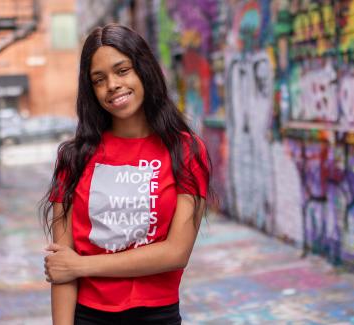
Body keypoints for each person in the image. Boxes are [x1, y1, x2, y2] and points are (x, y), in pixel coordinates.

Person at [41, 23, 212, 325]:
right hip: (87, 317)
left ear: (143, 70)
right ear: (91, 90)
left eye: (122, 71)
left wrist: (82, 266)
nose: (113, 85)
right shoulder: (73, 158)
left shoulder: (185, 151)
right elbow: (61, 267)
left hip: (158, 316)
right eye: (99, 79)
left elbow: (176, 252)